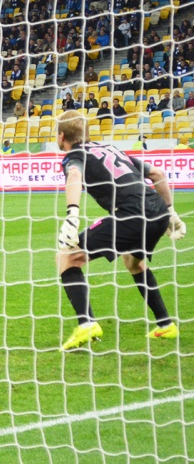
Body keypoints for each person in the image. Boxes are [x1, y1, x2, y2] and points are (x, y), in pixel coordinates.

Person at [54, 110, 186, 350]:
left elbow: (74, 175)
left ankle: (86, 324)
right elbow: (157, 174)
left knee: (68, 257)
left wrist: (72, 215)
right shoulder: (110, 148)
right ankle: (166, 324)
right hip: (157, 209)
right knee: (133, 262)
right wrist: (171, 213)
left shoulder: (75, 155)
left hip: (131, 214)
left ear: (61, 136)